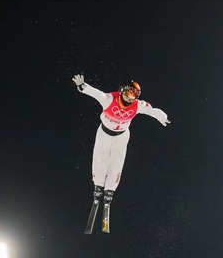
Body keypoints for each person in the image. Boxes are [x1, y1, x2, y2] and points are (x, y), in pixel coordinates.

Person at [72, 74, 171, 233]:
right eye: (128, 93)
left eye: (133, 96)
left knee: (116, 163)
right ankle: (99, 185)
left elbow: (151, 110)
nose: (130, 98)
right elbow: (96, 93)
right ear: (122, 91)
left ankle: (110, 189)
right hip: (104, 133)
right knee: (100, 159)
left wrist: (162, 116)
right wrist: (82, 86)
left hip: (121, 137)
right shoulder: (109, 99)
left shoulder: (137, 105)